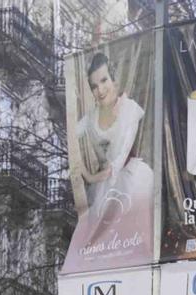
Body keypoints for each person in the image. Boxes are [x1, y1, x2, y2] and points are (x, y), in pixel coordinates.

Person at [65, 50, 157, 267]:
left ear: (114, 79)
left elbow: (120, 156)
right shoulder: (90, 118)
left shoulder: (130, 110)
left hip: (131, 178)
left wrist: (90, 176)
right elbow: (71, 136)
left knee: (130, 241)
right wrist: (82, 170)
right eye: (94, 86)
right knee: (94, 251)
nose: (100, 89)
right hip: (102, 183)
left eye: (104, 80)